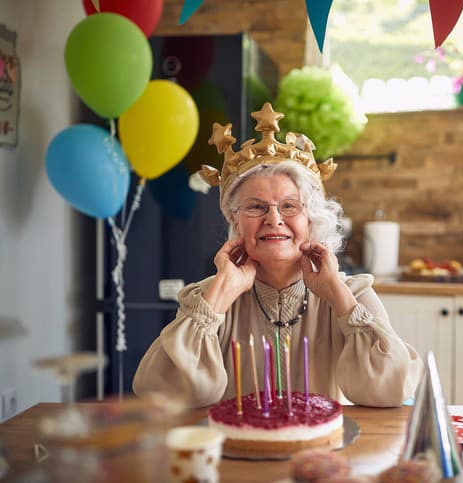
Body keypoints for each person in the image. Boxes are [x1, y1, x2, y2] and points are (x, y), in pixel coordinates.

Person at [133, 103, 421, 408]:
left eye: (289, 206)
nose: (273, 219)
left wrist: (337, 295)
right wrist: (216, 298)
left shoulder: (353, 294)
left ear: (312, 220)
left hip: (321, 452)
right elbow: (158, 393)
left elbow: (391, 390)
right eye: (256, 207)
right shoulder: (208, 296)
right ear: (235, 222)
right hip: (235, 451)